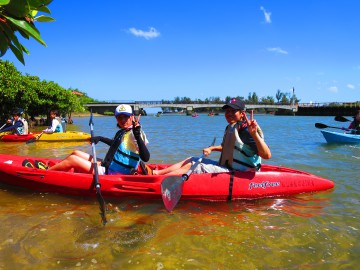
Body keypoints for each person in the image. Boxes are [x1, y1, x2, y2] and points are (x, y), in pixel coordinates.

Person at [153, 98, 271, 175]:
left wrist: (254, 134)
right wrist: (212, 148)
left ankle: (157, 181)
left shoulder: (247, 130)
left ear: (242, 114)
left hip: (241, 173)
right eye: (227, 111)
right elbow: (228, 148)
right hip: (226, 167)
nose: (229, 114)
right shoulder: (230, 127)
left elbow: (267, 155)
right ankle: (157, 174)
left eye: (233, 111)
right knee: (191, 159)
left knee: (193, 166)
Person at [24, 104, 150, 175]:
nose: (123, 120)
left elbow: (145, 157)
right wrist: (100, 138)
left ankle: (45, 173)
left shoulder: (135, 133)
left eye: (126, 117)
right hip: (110, 165)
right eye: (119, 117)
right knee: (76, 153)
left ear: (132, 117)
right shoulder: (123, 131)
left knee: (73, 160)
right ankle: (57, 168)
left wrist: (138, 135)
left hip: (114, 173)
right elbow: (115, 144)